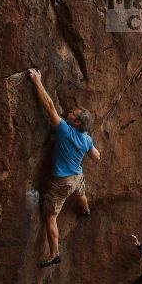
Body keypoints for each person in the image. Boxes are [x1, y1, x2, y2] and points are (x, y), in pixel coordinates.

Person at [28, 68, 100, 268]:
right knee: (80, 192)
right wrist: (88, 148)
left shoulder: (65, 131)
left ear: (76, 123)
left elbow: (49, 106)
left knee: (50, 217)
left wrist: (37, 82)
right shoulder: (86, 138)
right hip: (77, 177)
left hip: (62, 182)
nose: (68, 112)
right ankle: (85, 211)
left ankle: (54, 253)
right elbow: (97, 156)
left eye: (72, 114)